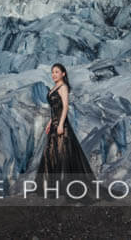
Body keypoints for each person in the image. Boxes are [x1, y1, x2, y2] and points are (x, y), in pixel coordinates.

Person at [35, 63, 96, 201]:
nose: (54, 74)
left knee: (63, 153)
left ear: (63, 73)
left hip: (62, 125)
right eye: (52, 72)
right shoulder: (54, 88)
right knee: (51, 153)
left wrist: (61, 124)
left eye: (57, 72)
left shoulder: (63, 87)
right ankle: (51, 187)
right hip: (54, 124)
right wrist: (50, 122)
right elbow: (54, 108)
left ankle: (68, 187)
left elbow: (65, 107)